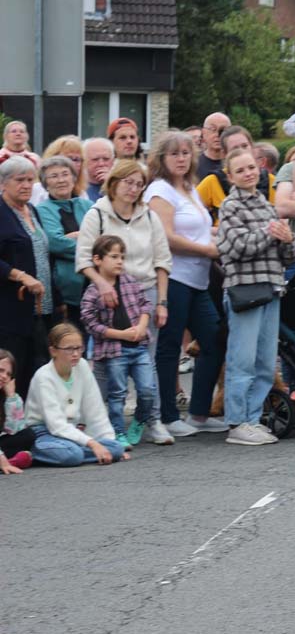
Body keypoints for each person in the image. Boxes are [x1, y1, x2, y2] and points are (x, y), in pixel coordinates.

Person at [75, 159, 173, 444]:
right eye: (128, 182)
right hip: (108, 293)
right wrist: (103, 283)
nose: (133, 189)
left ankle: (152, 420)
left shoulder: (149, 216)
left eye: (139, 184)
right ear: (114, 183)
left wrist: (162, 302)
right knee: (106, 363)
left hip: (144, 291)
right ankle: (99, 421)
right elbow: (84, 259)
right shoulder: (98, 214)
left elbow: (162, 261)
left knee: (147, 361)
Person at [143, 133, 226, 437]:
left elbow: (204, 231)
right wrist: (207, 251)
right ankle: (167, 416)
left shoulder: (189, 189)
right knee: (169, 347)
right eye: (174, 153)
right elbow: (165, 236)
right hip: (173, 278)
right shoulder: (160, 190)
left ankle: (199, 414)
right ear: (161, 158)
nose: (181, 158)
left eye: (186, 153)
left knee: (213, 339)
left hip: (199, 279)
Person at [216, 147, 295, 446]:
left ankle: (253, 418)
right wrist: (270, 233)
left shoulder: (266, 204)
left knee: (266, 361)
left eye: (251, 167)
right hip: (245, 291)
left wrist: (288, 239)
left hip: (272, 288)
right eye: (240, 170)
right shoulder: (230, 207)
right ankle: (237, 422)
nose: (248, 173)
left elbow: (290, 254)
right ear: (229, 176)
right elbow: (233, 248)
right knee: (242, 360)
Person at [79, 236, 159, 448]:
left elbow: (145, 304)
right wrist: (120, 334)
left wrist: (142, 327)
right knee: (117, 394)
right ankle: (118, 431)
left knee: (147, 389)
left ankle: (140, 420)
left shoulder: (130, 281)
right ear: (97, 259)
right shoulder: (93, 291)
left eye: (122, 257)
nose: (119, 261)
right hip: (115, 351)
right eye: (114, 256)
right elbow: (90, 323)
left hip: (139, 347)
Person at [25, 322, 127, 466]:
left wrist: (108, 441)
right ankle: (33, 453)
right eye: (68, 349)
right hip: (43, 433)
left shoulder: (82, 366)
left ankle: (80, 451)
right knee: (72, 455)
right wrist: (92, 444)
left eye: (79, 348)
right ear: (53, 351)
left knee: (116, 447)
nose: (75, 354)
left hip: (70, 432)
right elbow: (56, 425)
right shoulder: (43, 377)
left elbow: (95, 410)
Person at [0, 156, 53, 397]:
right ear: (3, 183)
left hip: (41, 307)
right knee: (14, 368)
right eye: (19, 180)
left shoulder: (32, 210)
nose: (26, 185)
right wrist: (21, 276)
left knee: (36, 368)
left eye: (30, 180)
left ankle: (29, 426)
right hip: (11, 308)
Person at [35, 156, 93, 325]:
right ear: (45, 183)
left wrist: (76, 237)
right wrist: (88, 241)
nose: (61, 180)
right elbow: (55, 243)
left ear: (74, 178)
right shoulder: (42, 210)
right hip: (63, 292)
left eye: (65, 174)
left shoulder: (88, 205)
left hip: (94, 286)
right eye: (54, 176)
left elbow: (104, 240)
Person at [196, 125, 275, 223]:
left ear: (252, 148)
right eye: (235, 149)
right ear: (225, 154)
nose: (242, 152)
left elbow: (281, 217)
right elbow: (188, 212)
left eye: (245, 146)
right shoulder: (213, 181)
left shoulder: (270, 180)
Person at [0, 349, 35, 473]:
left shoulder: (10, 397)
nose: (4, 376)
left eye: (9, 374)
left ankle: (9, 462)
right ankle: (7, 462)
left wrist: (10, 397)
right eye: (1, 370)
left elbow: (13, 429)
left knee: (28, 435)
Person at [196, 112, 232, 181]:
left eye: (223, 130)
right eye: (213, 129)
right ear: (203, 133)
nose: (217, 135)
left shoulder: (236, 163)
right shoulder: (193, 164)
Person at [82, 138, 115, 202]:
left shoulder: (123, 184)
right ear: (84, 161)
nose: (101, 164)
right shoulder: (78, 188)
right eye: (95, 159)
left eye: (106, 159)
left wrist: (111, 184)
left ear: (113, 161)